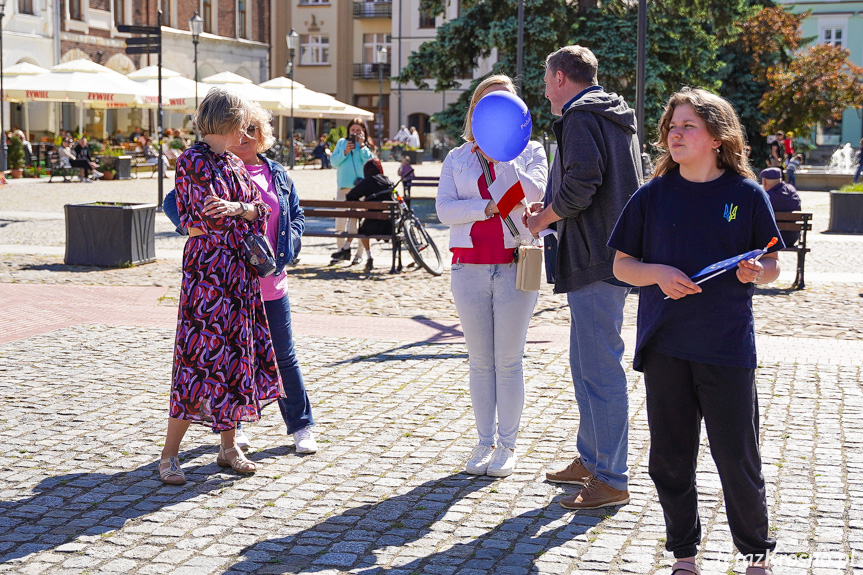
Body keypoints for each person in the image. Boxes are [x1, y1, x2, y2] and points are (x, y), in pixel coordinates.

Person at [608, 87, 781, 575]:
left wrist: (756, 272)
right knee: (668, 461)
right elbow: (622, 266)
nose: (675, 134)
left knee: (738, 459)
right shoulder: (651, 196)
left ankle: (755, 556)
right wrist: (658, 273)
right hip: (665, 347)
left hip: (726, 347)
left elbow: (771, 261)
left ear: (717, 137)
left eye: (688, 126)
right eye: (672, 126)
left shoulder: (745, 195)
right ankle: (684, 555)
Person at [161, 105, 318, 455]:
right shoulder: (205, 163)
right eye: (240, 129)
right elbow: (177, 204)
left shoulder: (272, 173)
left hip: (266, 279)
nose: (244, 136)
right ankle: (226, 436)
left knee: (278, 356)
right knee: (222, 358)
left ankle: (299, 426)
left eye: (252, 131)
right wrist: (192, 227)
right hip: (221, 280)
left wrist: (284, 249)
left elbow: (287, 215)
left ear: (262, 137)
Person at [525, 45, 642, 509]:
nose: (543, 87)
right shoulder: (609, 114)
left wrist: (542, 218)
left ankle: (611, 478)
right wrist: (553, 212)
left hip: (596, 257)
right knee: (586, 366)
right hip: (604, 255)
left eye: (545, 77)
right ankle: (593, 460)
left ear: (559, 78)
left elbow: (582, 185)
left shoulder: (579, 116)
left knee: (599, 370)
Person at [158, 88, 284, 486]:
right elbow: (204, 218)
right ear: (227, 122)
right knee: (196, 361)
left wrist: (240, 209)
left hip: (238, 276)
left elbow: (260, 209)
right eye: (242, 123)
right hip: (207, 277)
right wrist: (235, 213)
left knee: (234, 358)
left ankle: (229, 448)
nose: (246, 130)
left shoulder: (233, 162)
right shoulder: (192, 160)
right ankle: (169, 455)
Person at [437, 74, 548, 477]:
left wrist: (506, 159)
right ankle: (484, 441)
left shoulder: (531, 152)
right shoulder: (458, 157)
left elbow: (534, 193)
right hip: (468, 265)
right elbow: (446, 210)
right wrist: (484, 208)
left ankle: (507, 445)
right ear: (476, 111)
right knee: (480, 360)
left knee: (509, 358)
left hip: (518, 262)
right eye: (489, 105)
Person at [330, 118, 375, 265]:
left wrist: (361, 147)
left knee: (358, 223)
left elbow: (370, 163)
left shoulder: (366, 146)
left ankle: (359, 254)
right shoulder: (342, 143)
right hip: (344, 187)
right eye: (353, 130)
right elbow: (334, 162)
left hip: (361, 188)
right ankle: (341, 252)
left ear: (363, 132)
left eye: (358, 130)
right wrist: (345, 152)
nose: (355, 133)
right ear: (349, 131)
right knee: (340, 222)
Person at [345, 158, 396, 272]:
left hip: (372, 225)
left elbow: (350, 196)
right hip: (389, 226)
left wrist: (363, 206)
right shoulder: (387, 181)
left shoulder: (367, 182)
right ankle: (396, 263)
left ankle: (369, 256)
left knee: (362, 231)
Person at [760, 166, 802, 247]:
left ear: (764, 182)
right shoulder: (792, 191)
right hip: (791, 237)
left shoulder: (767, 197)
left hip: (771, 240)